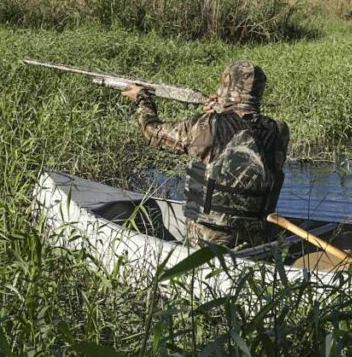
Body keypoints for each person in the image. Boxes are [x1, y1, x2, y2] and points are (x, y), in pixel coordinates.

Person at [120, 60, 290, 249]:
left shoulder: (208, 125)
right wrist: (222, 110)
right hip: (257, 236)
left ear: (226, 85)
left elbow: (152, 133)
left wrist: (142, 98)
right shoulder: (278, 130)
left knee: (200, 172)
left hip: (207, 236)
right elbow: (243, 125)